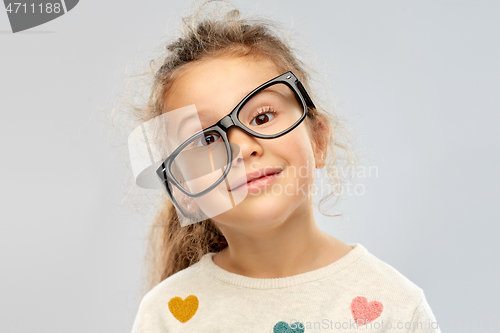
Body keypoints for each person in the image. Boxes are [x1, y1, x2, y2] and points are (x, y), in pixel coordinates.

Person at [127, 1, 441, 332]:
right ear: (183, 190)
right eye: (206, 140)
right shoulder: (165, 315)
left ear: (318, 139)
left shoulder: (397, 307)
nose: (243, 148)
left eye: (262, 117)